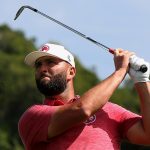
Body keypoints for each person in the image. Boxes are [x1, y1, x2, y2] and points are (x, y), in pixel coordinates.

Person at [18, 43, 150, 150]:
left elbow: (147, 135)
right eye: (38, 65)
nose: (42, 69)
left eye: (50, 62)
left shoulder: (108, 110)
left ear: (71, 72)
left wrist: (141, 79)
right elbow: (83, 109)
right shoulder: (33, 116)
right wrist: (120, 72)